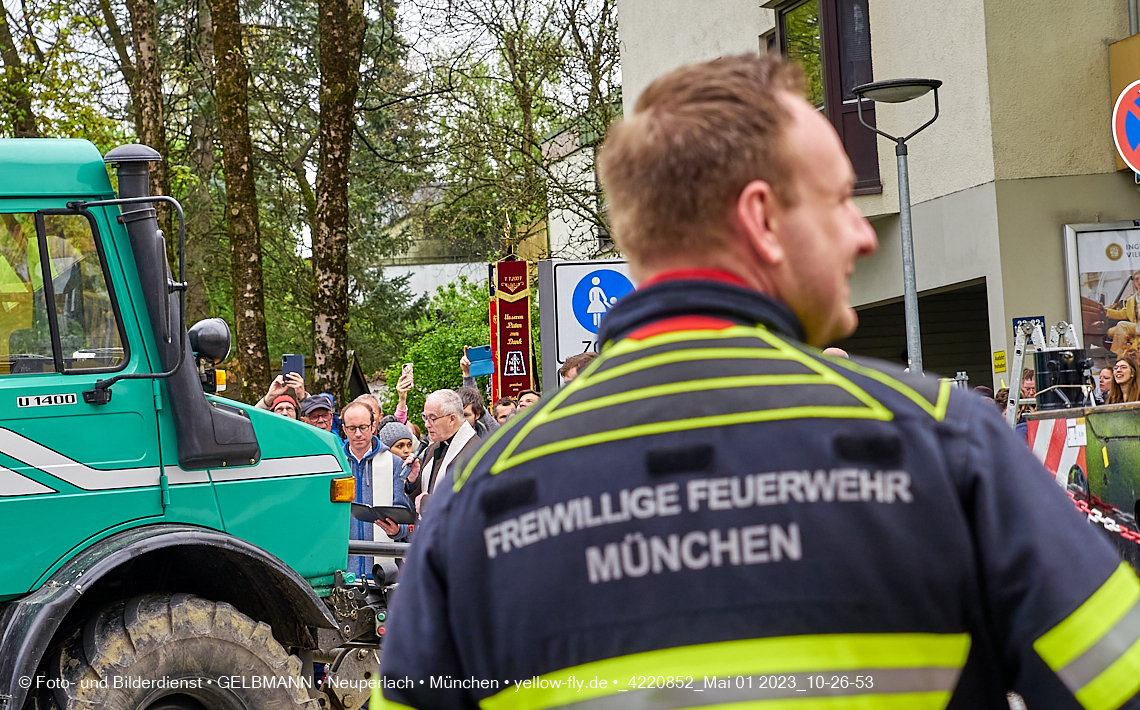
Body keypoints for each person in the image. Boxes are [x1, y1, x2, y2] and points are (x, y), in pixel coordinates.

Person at [379, 54, 1140, 709]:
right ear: (762, 219)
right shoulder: (943, 444)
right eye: (840, 200)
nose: (863, 233)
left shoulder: (479, 495)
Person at [342, 402, 412, 579]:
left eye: (363, 427)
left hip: (383, 571)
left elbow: (405, 513)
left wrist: (398, 530)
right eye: (352, 428)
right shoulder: (335, 463)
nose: (358, 433)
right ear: (344, 429)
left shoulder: (393, 463)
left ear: (373, 426)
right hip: (344, 567)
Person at [402, 389, 479, 518]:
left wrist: (428, 502)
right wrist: (414, 480)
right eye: (425, 417)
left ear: (452, 419)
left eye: (432, 418)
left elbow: (471, 502)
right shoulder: (434, 447)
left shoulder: (475, 451)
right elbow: (421, 497)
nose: (426, 424)